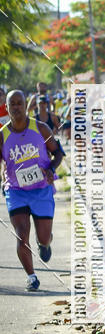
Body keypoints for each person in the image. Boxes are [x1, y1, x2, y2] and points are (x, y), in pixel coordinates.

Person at [0, 90, 63, 290]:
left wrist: (51, 169)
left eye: (20, 103)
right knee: (21, 233)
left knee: (43, 237)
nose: (17, 107)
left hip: (41, 189)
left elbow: (58, 153)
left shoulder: (41, 129)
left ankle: (44, 244)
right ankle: (32, 277)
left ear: (26, 106)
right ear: (7, 108)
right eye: (13, 104)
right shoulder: (2, 135)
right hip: (16, 190)